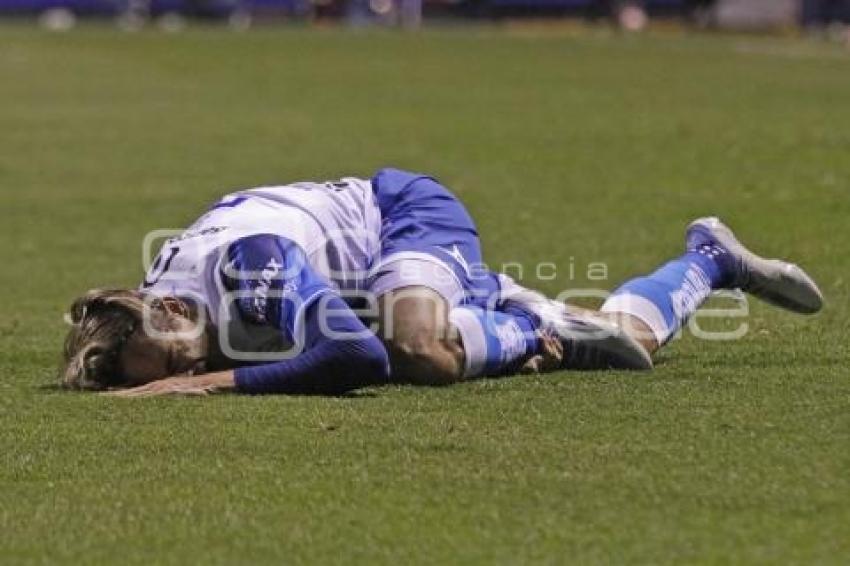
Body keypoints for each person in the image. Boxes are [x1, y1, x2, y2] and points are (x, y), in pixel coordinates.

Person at [60, 169, 823, 396]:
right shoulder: (179, 305)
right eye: (171, 370)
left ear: (165, 308)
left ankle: (530, 324)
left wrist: (201, 389)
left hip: (402, 216)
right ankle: (709, 259)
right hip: (359, 279)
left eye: (170, 357)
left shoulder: (248, 266)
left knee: (416, 350)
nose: (187, 365)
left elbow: (355, 359)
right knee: (631, 338)